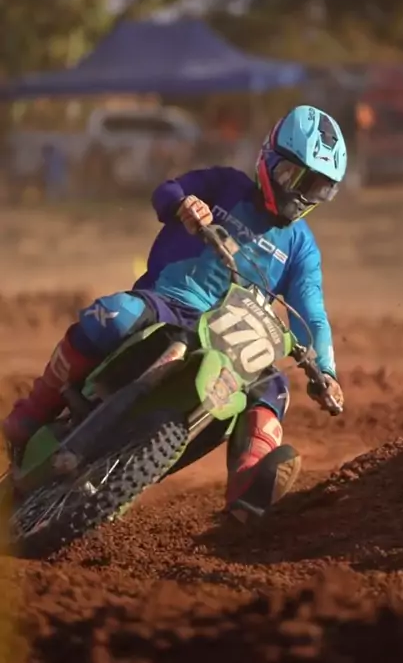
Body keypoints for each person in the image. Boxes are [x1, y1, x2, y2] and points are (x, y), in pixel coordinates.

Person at [3, 106, 347, 522]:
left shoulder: (301, 247)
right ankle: (33, 412)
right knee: (113, 316)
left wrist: (324, 369)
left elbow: (311, 312)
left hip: (233, 339)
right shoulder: (226, 185)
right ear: (268, 159)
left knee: (274, 388)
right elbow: (167, 191)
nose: (300, 194)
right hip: (171, 303)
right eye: (293, 177)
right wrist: (185, 203)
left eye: (316, 187)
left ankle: (251, 480)